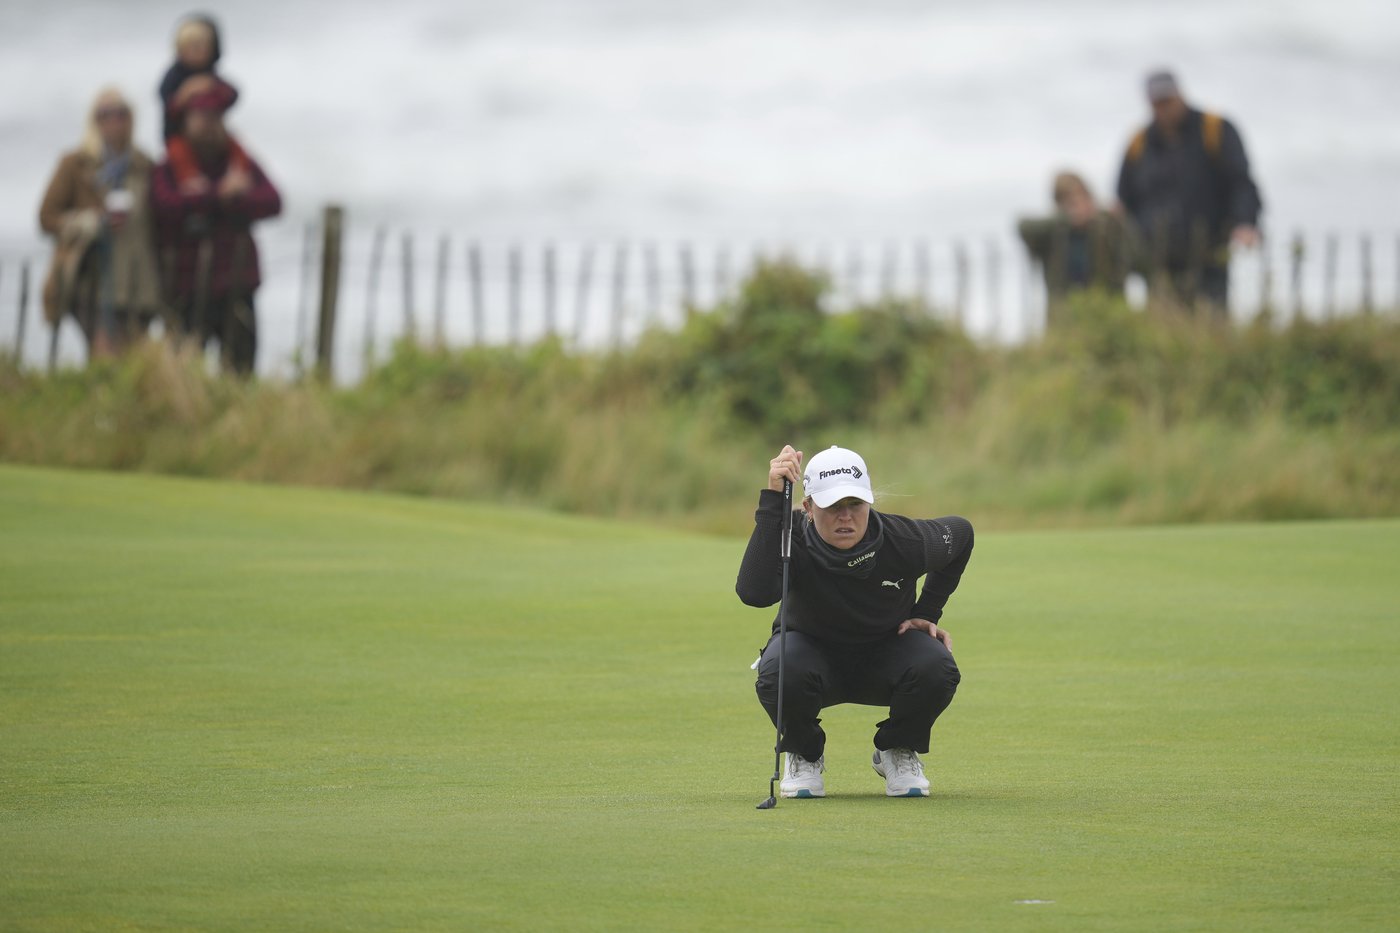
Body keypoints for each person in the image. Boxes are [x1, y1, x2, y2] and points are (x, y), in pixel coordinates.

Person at [737, 445, 973, 798]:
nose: (845, 517)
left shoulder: (902, 540)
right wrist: (773, 502)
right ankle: (804, 752)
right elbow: (754, 593)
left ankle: (897, 748)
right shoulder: (793, 539)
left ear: (869, 502)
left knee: (937, 664)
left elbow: (962, 533)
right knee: (778, 669)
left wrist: (927, 613)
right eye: (832, 507)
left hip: (887, 652)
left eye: (854, 505)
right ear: (808, 507)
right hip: (810, 657)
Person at [151, 77, 281, 375]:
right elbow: (165, 207)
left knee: (241, 370)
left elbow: (272, 201)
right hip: (186, 284)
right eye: (200, 116)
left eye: (214, 116)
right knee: (183, 371)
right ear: (185, 119)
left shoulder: (238, 159)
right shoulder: (170, 164)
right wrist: (218, 195)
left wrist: (227, 199)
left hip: (236, 281)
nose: (208, 123)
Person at [1115, 69, 1263, 316]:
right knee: (1162, 324)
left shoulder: (1215, 130)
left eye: (1168, 101)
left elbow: (1241, 183)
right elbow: (1124, 198)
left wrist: (1245, 222)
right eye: (1157, 104)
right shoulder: (1138, 142)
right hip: (1156, 258)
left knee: (1212, 320)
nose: (1163, 109)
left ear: (1180, 95)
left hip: (1209, 252)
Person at [38, 87, 165, 359]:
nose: (113, 121)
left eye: (121, 114)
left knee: (135, 354)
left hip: (138, 279)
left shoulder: (145, 166)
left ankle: (126, 400)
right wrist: (84, 223)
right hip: (91, 276)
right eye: (105, 114)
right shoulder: (75, 164)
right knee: (104, 352)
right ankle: (99, 396)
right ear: (94, 120)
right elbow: (47, 216)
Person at [1017, 171, 1134, 316]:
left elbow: (1134, 257)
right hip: (1063, 313)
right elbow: (1022, 227)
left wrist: (1113, 218)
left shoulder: (1106, 225)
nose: (1077, 206)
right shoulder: (1054, 232)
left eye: (1080, 197)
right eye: (1068, 201)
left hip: (1107, 311)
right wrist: (1066, 218)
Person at [158, 14, 225, 143]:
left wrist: (214, 87)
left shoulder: (209, 72)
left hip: (213, 135)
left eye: (202, 46)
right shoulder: (175, 74)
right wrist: (185, 94)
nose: (198, 51)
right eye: (192, 47)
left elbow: (232, 94)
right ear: (181, 50)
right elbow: (166, 101)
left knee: (239, 154)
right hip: (178, 135)